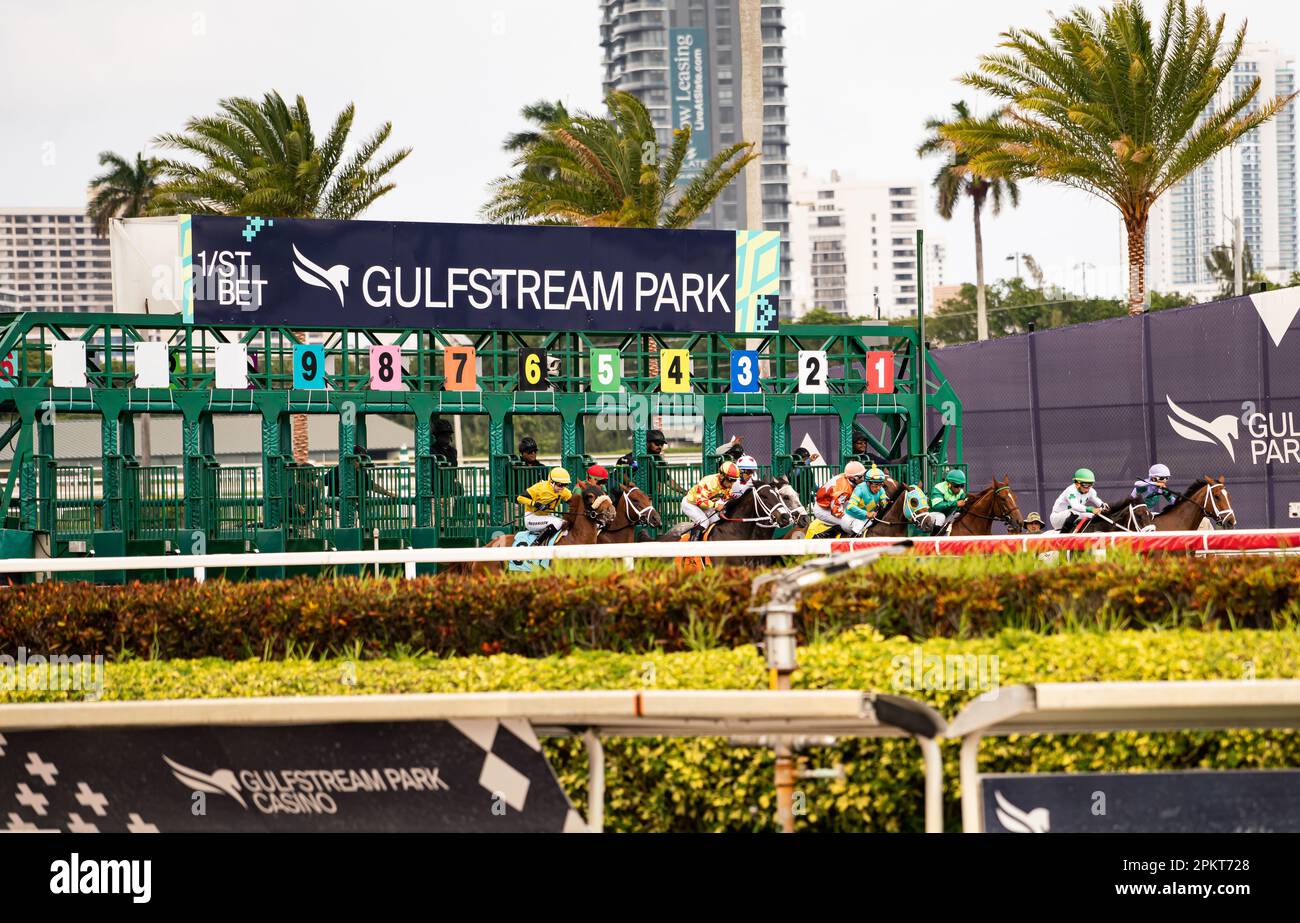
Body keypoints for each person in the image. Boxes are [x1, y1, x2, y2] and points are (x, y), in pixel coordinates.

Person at [681, 461, 740, 538]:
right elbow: (700, 501)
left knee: (717, 521)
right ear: (722, 476)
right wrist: (716, 505)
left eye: (734, 480)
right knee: (704, 522)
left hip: (707, 506)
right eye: (730, 479)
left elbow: (727, 499)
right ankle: (693, 545)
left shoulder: (727, 486)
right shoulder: (708, 481)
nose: (732, 484)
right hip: (691, 504)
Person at [517, 466, 573, 545]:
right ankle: (536, 544)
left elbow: (574, 502)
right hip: (531, 518)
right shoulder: (539, 488)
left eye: (565, 484)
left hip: (545, 517)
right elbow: (520, 498)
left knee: (565, 523)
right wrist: (536, 504)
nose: (562, 488)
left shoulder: (564, 491)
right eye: (560, 484)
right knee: (557, 522)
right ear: (551, 482)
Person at [812, 461, 868, 537]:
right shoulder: (843, 489)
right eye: (861, 477)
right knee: (848, 522)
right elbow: (836, 511)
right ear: (852, 478)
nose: (863, 479)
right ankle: (825, 535)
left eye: (864, 475)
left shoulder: (848, 479)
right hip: (824, 509)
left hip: (832, 503)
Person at [1050, 468, 1108, 532]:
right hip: (1056, 518)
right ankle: (1064, 536)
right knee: (1075, 512)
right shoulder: (1070, 490)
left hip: (1073, 516)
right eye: (1085, 485)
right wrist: (1091, 509)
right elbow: (1075, 506)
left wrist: (1104, 506)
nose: (1088, 488)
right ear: (1077, 484)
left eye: (1090, 485)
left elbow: (1099, 502)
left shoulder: (1091, 491)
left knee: (1094, 516)